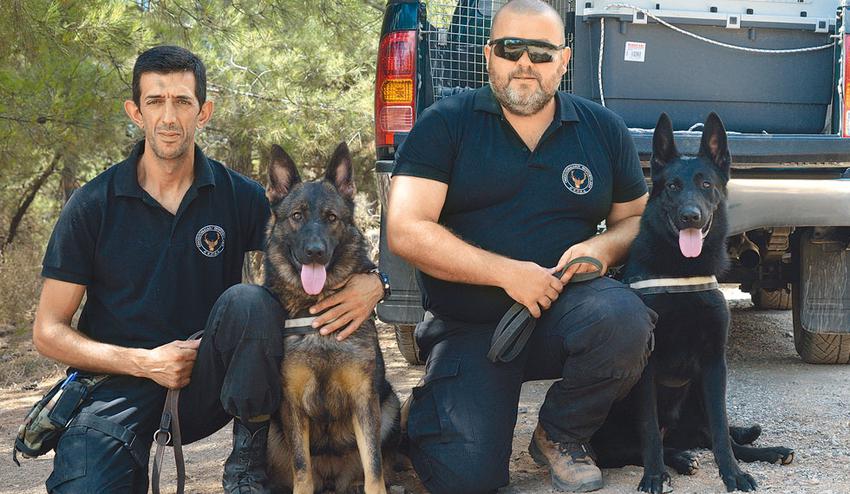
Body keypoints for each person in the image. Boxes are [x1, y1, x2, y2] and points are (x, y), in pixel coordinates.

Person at [31, 45, 384, 494]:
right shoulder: (91, 204)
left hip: (209, 384)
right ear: (135, 112)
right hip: (117, 388)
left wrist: (377, 282)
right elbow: (48, 332)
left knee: (250, 301)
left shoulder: (237, 194)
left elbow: (318, 230)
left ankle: (246, 470)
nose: (169, 117)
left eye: (183, 101)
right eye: (155, 101)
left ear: (204, 112)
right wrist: (144, 362)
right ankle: (120, 462)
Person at [386, 1, 658, 492]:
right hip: (470, 326)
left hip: (566, 312)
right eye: (511, 49)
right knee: (466, 480)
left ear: (564, 59)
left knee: (624, 319)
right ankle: (428, 409)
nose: (525, 64)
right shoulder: (444, 123)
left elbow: (637, 219)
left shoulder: (603, 129)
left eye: (541, 52)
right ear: (489, 54)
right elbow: (406, 228)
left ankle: (561, 434)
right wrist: (507, 273)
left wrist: (604, 247)